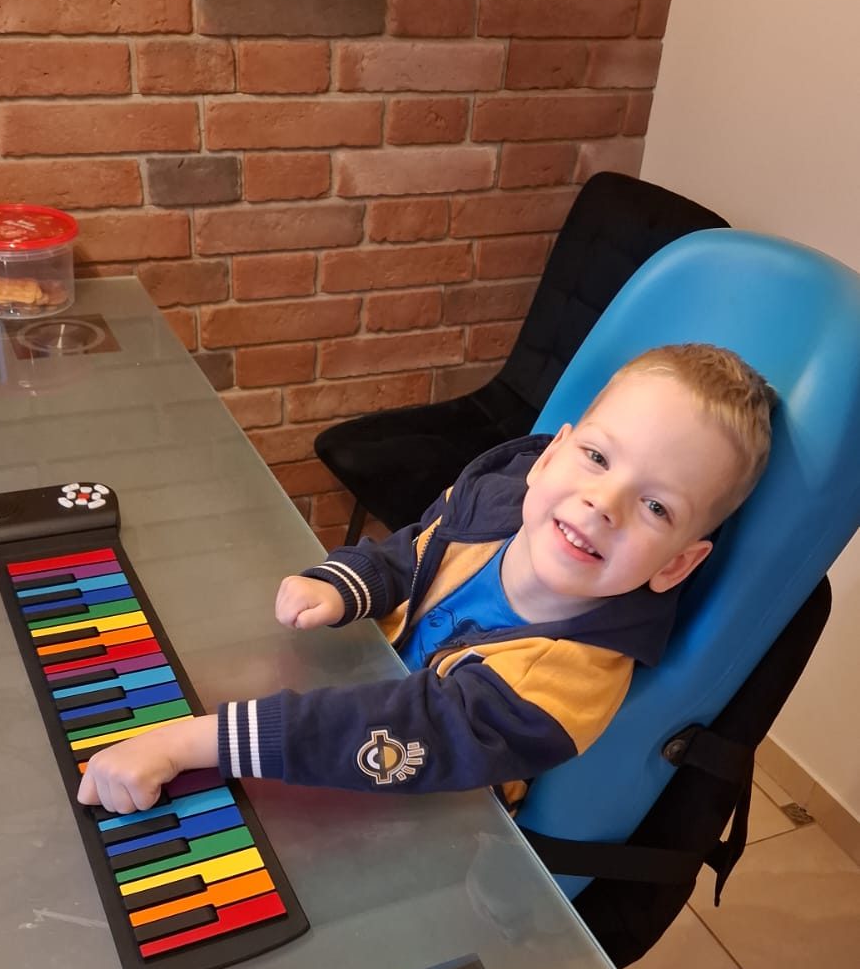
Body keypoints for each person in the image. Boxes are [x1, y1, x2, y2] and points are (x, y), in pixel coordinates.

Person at [77, 343, 773, 817]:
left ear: (676, 563)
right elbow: (411, 552)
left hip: (426, 803)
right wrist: (343, 583)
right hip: (347, 697)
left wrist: (191, 743)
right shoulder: (492, 510)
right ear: (548, 456)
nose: (603, 503)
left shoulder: (566, 682)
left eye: (656, 507)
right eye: (596, 457)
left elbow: (411, 730)